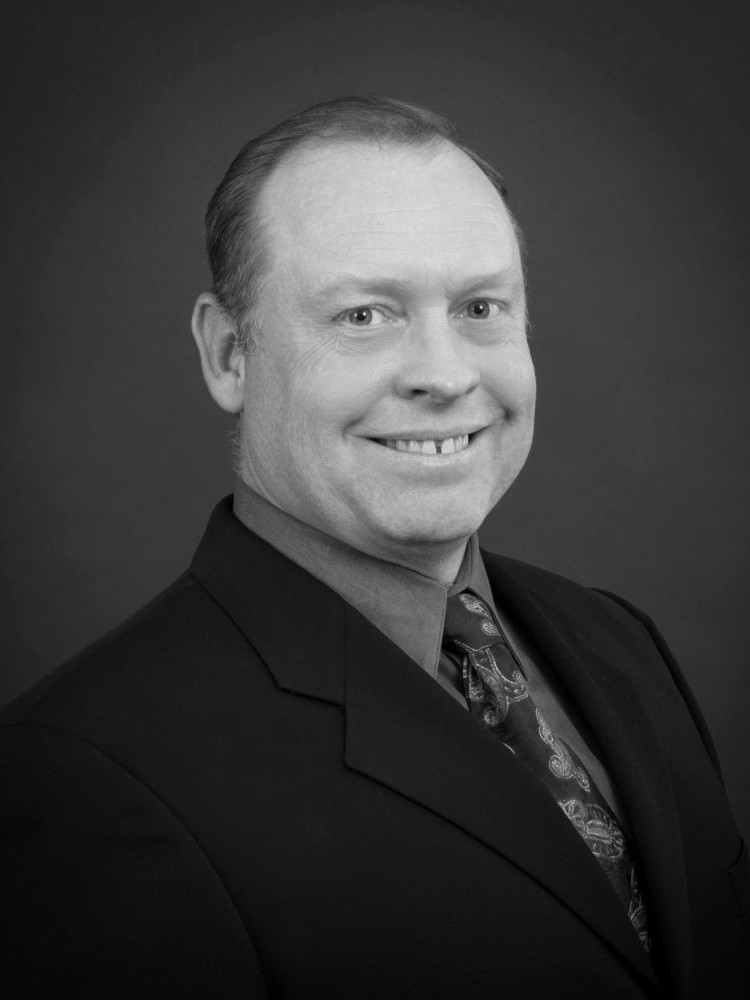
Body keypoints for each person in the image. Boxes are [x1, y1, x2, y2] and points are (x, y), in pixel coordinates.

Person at [0, 96, 747, 999]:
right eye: (364, 315)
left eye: (480, 306)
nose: (445, 372)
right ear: (230, 355)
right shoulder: (81, 778)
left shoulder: (620, 642)